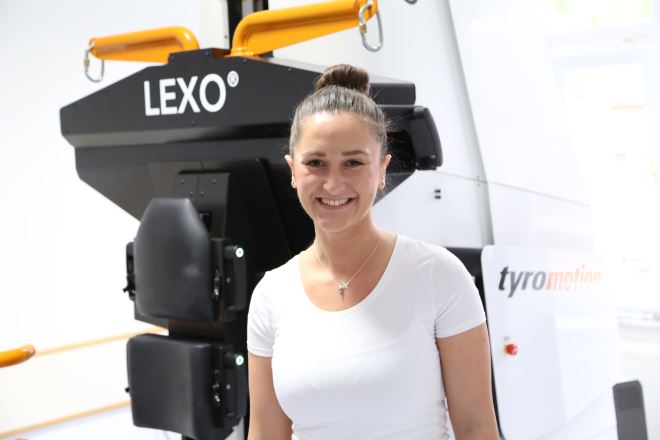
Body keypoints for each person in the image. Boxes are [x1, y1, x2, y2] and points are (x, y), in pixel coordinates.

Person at [246, 64, 499, 440]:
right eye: (315, 163)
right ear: (293, 171)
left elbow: (477, 427)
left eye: (353, 162)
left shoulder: (438, 276)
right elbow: (266, 432)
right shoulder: (271, 294)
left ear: (382, 169)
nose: (333, 183)